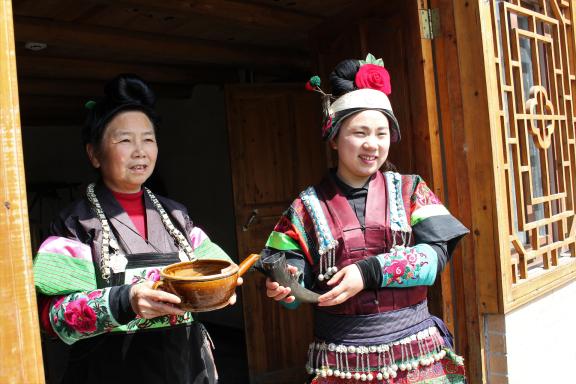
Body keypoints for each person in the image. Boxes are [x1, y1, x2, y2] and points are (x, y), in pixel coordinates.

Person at [261, 55, 469, 383]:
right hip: (341, 361)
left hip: (416, 357)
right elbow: (290, 277)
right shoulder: (306, 206)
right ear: (334, 138)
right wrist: (287, 287)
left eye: (382, 133)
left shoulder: (412, 189)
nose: (372, 143)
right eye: (360, 132)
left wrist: (368, 271)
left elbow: (435, 258)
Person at [33, 74, 239, 384]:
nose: (140, 150)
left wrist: (221, 289)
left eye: (148, 138)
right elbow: (51, 320)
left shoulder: (177, 216)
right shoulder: (76, 223)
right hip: (109, 370)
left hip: (184, 366)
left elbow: (219, 272)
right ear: (94, 153)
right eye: (125, 140)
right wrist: (124, 302)